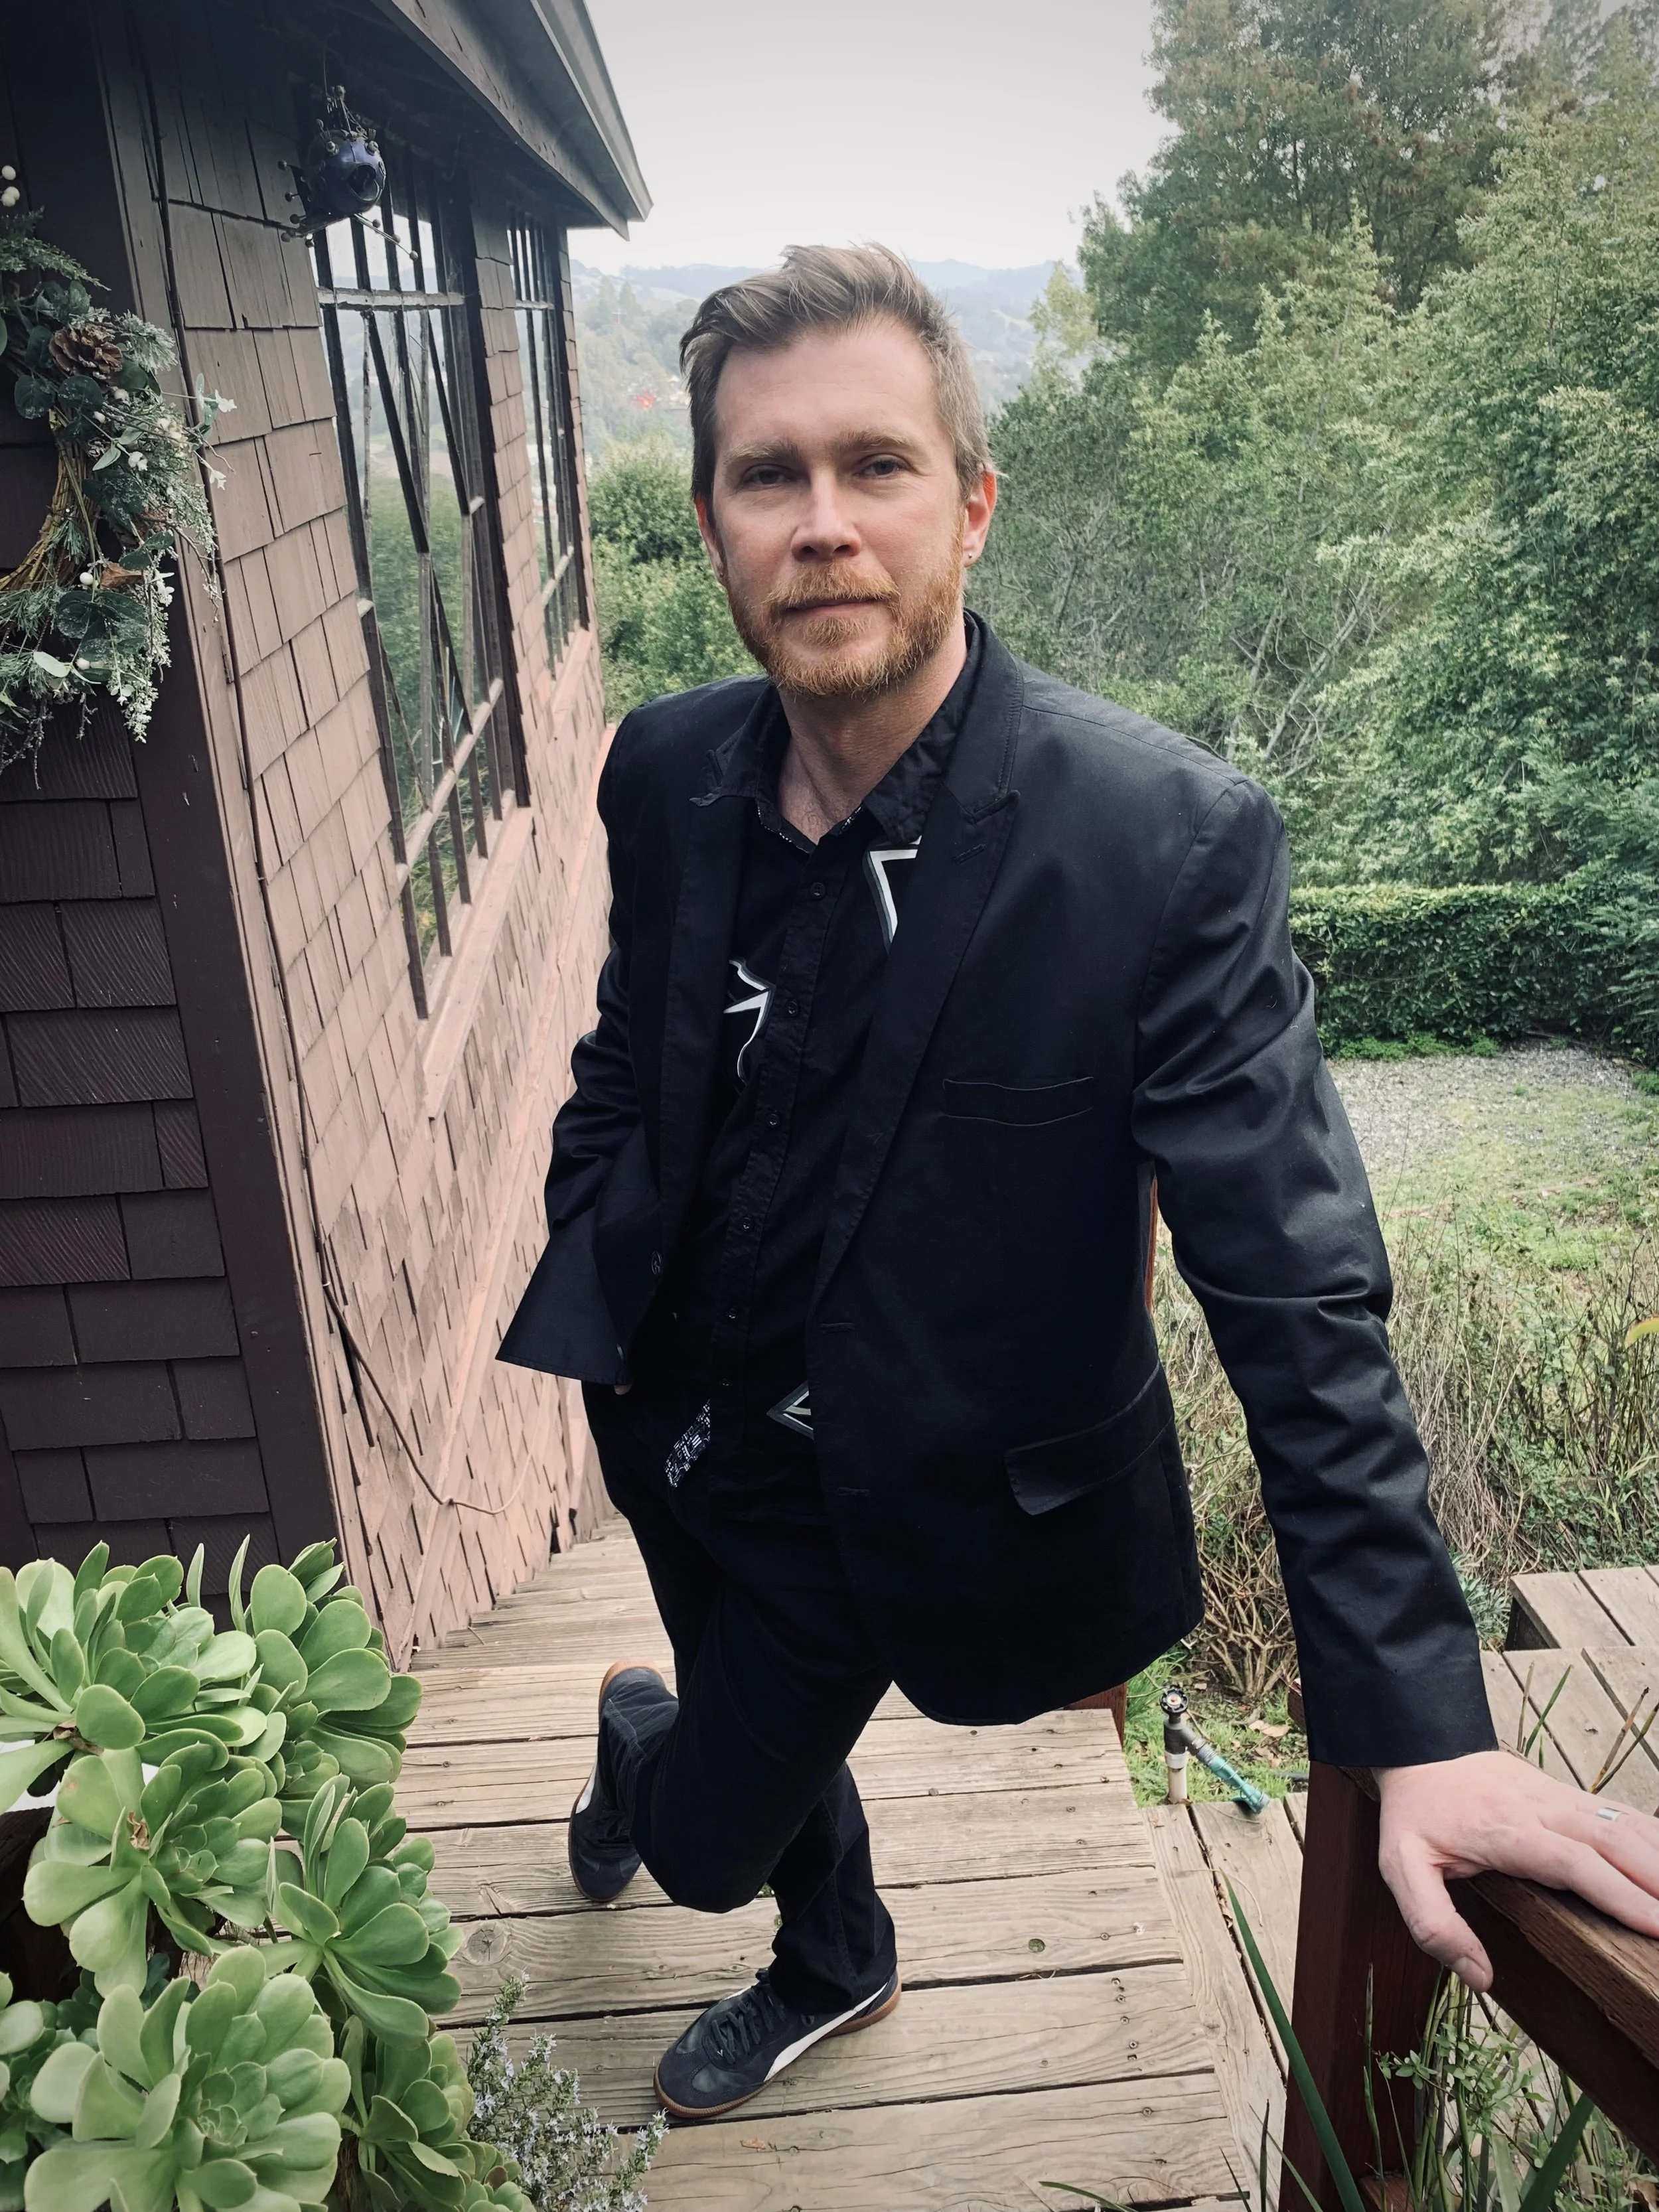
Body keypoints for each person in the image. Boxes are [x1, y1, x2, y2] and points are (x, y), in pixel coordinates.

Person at [499, 244, 1659, 2122]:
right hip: (663, 1401)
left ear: (967, 502)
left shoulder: (1155, 841)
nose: (819, 524)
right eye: (763, 477)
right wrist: (593, 1224)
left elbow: (1293, 1286)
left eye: (872, 465)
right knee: (762, 1763)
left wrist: (1419, 1722)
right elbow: (635, 1044)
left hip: (887, 1479)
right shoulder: (669, 765)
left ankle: (659, 1771)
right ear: (708, 521)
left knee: (708, 1823)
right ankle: (837, 1947)